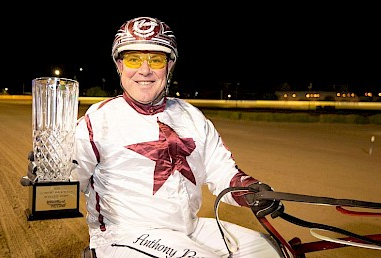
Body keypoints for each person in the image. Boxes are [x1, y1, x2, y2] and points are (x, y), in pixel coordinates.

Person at [22, 16, 285, 257]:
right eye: (134, 59)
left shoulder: (192, 116)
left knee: (273, 251)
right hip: (123, 235)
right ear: (119, 65)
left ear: (169, 66)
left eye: (156, 59)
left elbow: (221, 170)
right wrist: (49, 176)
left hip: (189, 228)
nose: (145, 70)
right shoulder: (97, 119)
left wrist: (251, 190)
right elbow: (71, 179)